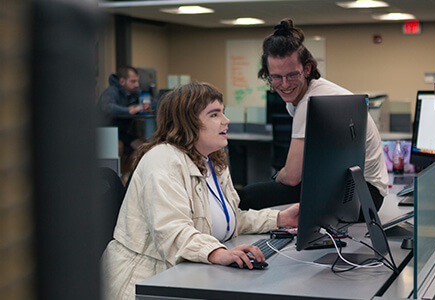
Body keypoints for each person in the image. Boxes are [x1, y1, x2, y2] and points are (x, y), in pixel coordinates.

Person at [101, 82, 300, 300]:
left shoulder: (212, 161)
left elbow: (229, 219)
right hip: (146, 281)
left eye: (222, 112)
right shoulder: (162, 159)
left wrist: (280, 219)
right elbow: (171, 230)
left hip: (188, 274)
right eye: (214, 114)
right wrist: (217, 253)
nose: (226, 120)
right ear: (187, 122)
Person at [241, 18, 388, 211]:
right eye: (276, 77)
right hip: (364, 192)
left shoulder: (311, 103)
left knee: (248, 196)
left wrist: (278, 176)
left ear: (307, 69)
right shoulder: (314, 93)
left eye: (292, 75)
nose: (285, 84)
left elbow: (293, 177)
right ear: (267, 75)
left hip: (361, 197)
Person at [98, 66, 145, 181]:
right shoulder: (111, 92)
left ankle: (126, 175)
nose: (137, 85)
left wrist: (142, 106)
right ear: (122, 81)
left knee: (143, 147)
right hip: (107, 131)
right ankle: (116, 178)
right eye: (133, 81)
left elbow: (150, 102)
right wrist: (128, 110)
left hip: (123, 133)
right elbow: (108, 107)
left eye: (137, 81)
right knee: (118, 146)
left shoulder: (135, 93)